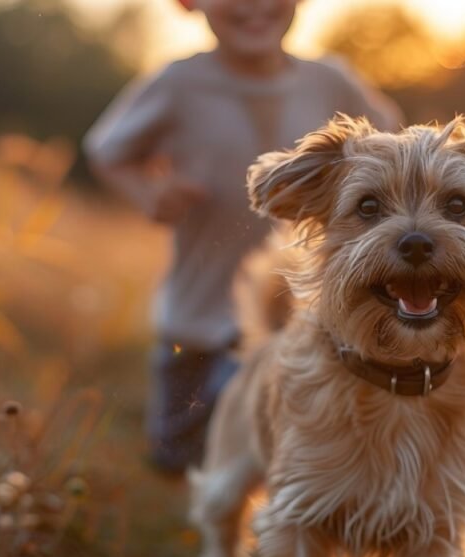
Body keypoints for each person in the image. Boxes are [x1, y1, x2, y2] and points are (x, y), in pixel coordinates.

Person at [83, 0, 400, 474]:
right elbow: (107, 150)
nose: (254, 5)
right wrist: (151, 194)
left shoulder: (332, 80)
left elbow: (395, 143)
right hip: (198, 312)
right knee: (180, 458)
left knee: (282, 451)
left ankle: (272, 532)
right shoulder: (178, 83)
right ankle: (193, 535)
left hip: (301, 313)